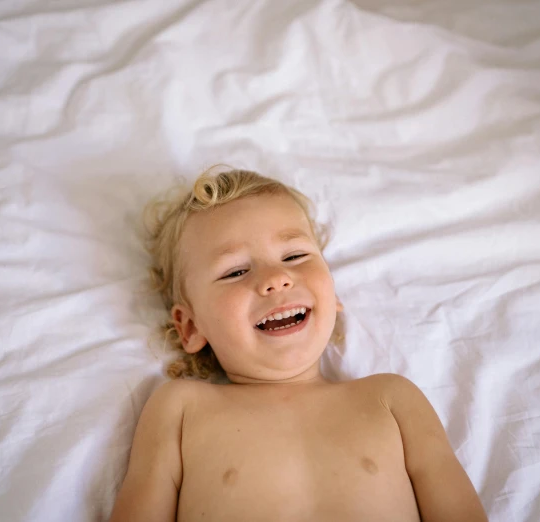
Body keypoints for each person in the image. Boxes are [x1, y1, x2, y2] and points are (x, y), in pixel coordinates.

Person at [109, 168, 487, 522]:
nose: (277, 278)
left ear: (332, 292)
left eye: (295, 256)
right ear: (190, 326)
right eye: (236, 271)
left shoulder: (391, 399)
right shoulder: (179, 409)